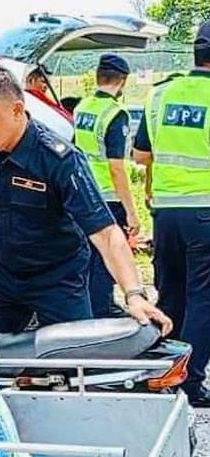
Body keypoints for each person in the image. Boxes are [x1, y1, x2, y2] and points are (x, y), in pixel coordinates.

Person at [0, 65, 170, 336]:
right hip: (1, 277)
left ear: (17, 111)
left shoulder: (58, 159)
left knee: (72, 365)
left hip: (57, 280)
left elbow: (105, 233)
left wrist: (133, 294)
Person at [132, 20, 210, 406]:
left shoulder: (160, 95)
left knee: (171, 294)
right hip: (205, 212)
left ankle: (160, 372)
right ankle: (191, 381)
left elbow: (140, 155)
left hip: (164, 212)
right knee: (204, 298)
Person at [73, 53, 141, 318]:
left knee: (86, 257)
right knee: (107, 257)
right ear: (122, 82)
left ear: (97, 77)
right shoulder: (116, 113)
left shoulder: (82, 107)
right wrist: (131, 211)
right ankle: (102, 311)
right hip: (107, 198)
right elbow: (116, 167)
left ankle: (89, 308)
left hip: (82, 192)